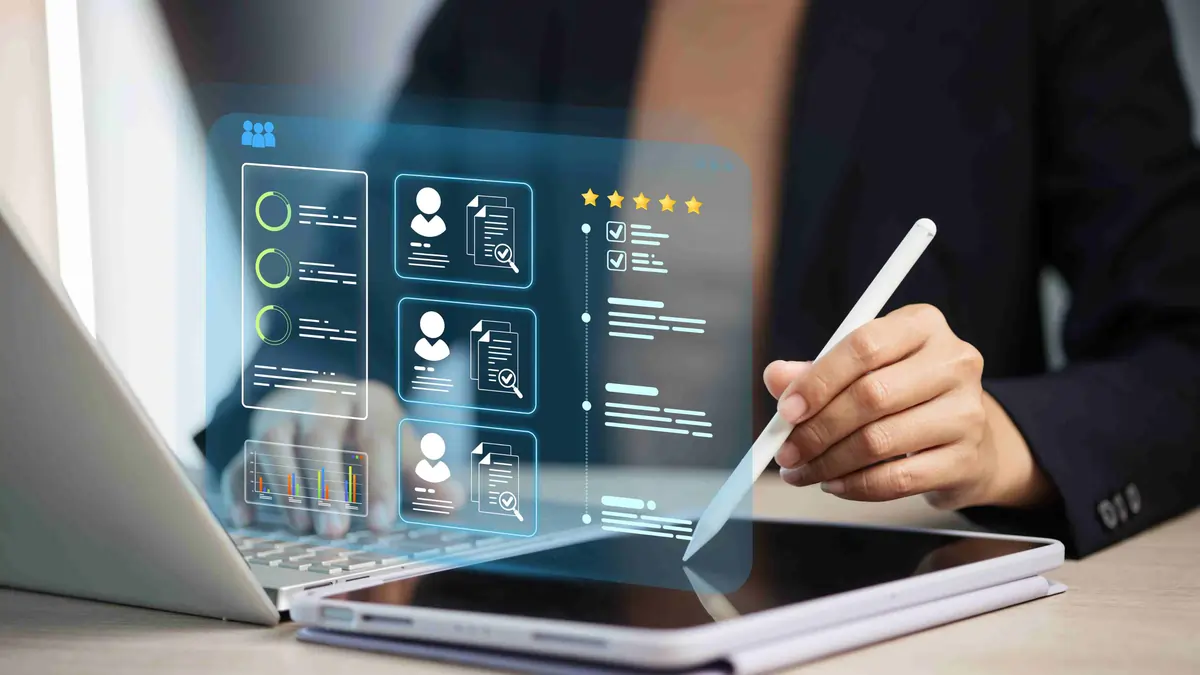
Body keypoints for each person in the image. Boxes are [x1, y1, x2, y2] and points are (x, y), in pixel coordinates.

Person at [207, 0, 1200, 555]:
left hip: (916, 606)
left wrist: (1002, 443)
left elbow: (1183, 349)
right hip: (573, 609)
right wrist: (314, 400)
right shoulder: (504, 17)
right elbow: (329, 319)